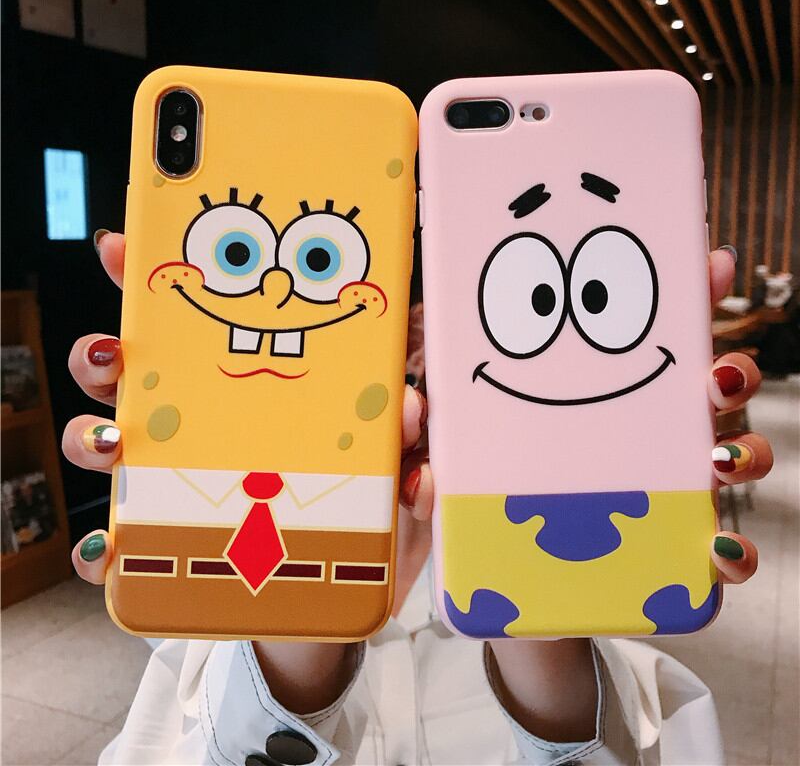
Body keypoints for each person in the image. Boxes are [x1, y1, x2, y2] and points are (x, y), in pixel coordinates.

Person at [63, 232, 770, 765]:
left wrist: (537, 621)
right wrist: (301, 621)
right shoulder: (213, 599)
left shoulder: (594, 618)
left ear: (420, 336)